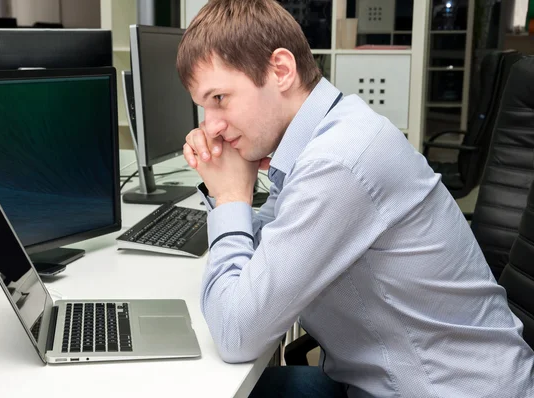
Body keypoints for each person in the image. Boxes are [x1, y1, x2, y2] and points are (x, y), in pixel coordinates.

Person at [176, 0, 534, 396]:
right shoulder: (330, 130)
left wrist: (229, 199)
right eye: (203, 107)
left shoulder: (338, 162)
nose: (211, 126)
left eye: (220, 99)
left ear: (280, 70)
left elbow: (235, 333)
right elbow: (274, 247)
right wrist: (229, 192)